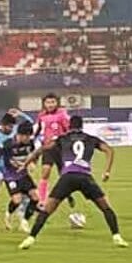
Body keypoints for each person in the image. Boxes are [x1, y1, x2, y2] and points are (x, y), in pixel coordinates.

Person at [18, 116, 128, 249]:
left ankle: (31, 238)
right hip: (85, 177)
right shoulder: (91, 139)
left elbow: (42, 149)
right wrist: (107, 172)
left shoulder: (62, 138)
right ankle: (117, 236)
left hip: (68, 177)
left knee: (47, 210)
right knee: (105, 207)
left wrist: (26, 163)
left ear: (69, 126)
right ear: (82, 126)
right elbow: (109, 150)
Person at [34, 93, 79, 222]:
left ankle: (68, 195)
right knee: (45, 172)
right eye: (48, 102)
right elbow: (38, 130)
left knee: (64, 176)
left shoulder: (62, 114)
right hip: (48, 148)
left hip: (61, 149)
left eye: (52, 102)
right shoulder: (41, 115)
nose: (50, 105)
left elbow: (68, 130)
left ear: (56, 103)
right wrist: (34, 139)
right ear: (44, 104)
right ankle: (42, 201)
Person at [0, 121, 41, 233]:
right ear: (20, 135)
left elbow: (34, 155)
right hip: (10, 175)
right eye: (27, 136)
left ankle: (25, 221)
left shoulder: (30, 144)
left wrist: (33, 163)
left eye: (29, 136)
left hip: (23, 174)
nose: (28, 138)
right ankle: (8, 215)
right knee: (17, 200)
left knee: (35, 198)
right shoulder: (8, 144)